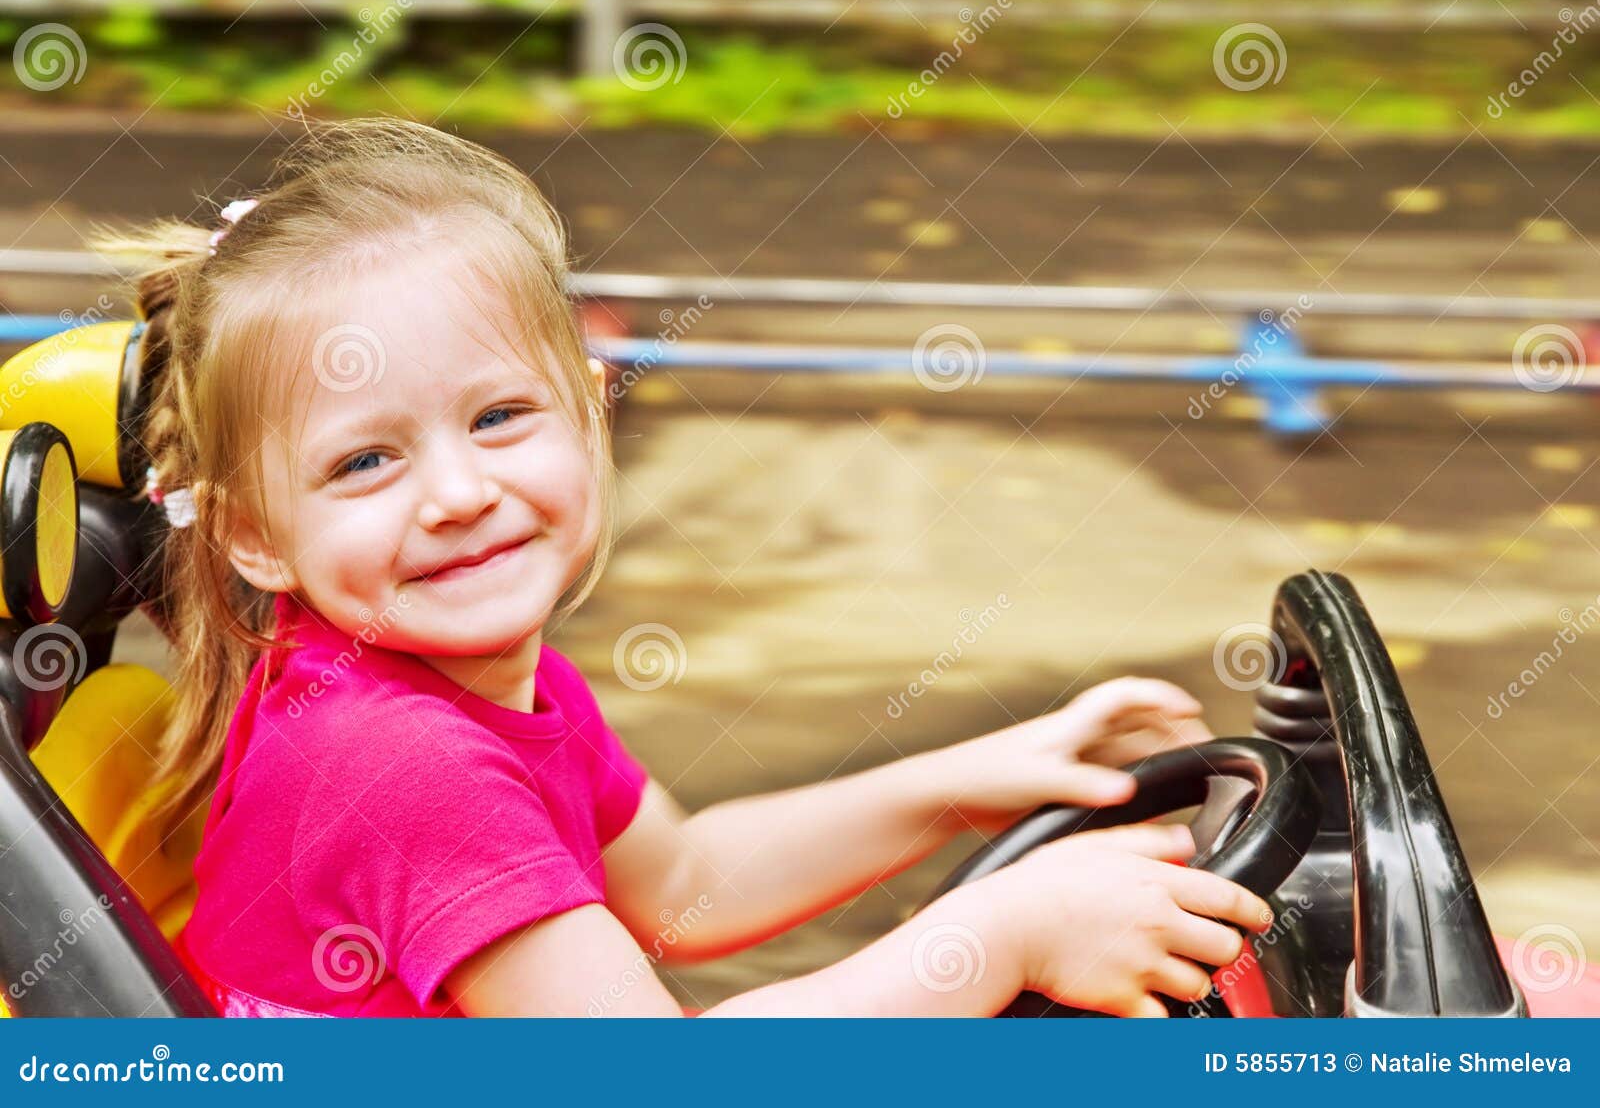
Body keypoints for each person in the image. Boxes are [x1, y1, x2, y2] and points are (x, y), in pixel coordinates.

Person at [100, 118, 1269, 1018]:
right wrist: (1007, 935)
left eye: (501, 415)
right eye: (365, 460)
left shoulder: (478, 681)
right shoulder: (402, 765)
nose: (457, 494)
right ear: (251, 533)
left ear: (591, 410)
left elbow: (685, 878)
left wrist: (978, 776)